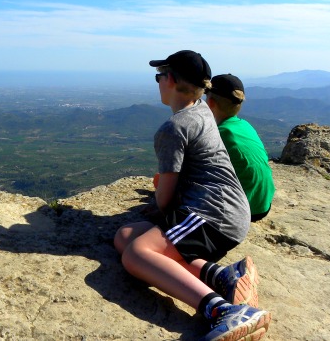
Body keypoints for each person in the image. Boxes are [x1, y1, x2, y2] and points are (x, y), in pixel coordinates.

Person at [114, 50, 271, 341]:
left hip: (213, 216)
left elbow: (163, 200)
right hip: (225, 209)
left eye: (158, 76)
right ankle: (222, 276)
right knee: (125, 237)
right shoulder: (202, 110)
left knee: (137, 254)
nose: (158, 82)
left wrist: (161, 200)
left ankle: (224, 311)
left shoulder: (173, 128)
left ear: (170, 79)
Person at [205, 74, 276, 222]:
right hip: (263, 204)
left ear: (210, 102)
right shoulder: (245, 126)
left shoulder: (219, 134)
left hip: (244, 210)